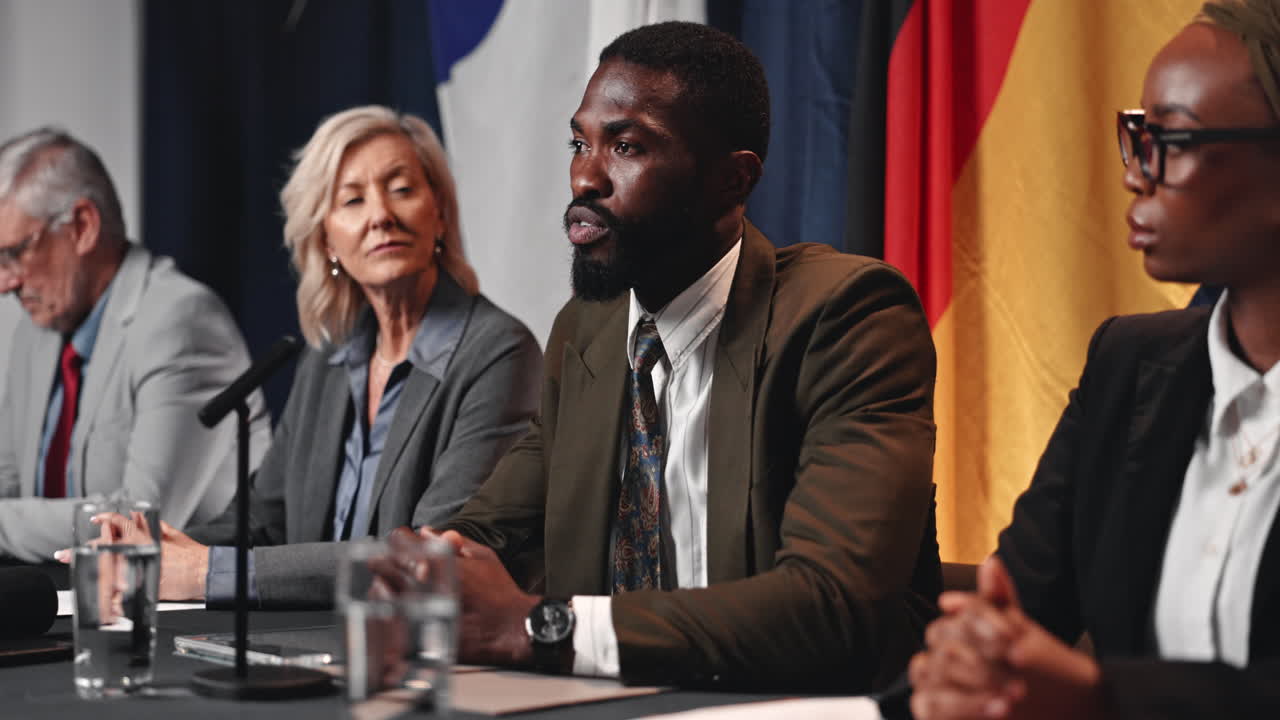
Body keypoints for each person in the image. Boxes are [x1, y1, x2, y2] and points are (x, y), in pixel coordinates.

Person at [408, 22, 940, 691]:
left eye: (626, 146)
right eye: (580, 141)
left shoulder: (846, 318)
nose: (584, 176)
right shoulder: (586, 334)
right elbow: (491, 531)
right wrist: (434, 564)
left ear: (731, 179)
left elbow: (832, 606)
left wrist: (545, 627)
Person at [906, 2, 1280, 718]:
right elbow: (1012, 609)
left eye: (1169, 138)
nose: (1136, 175)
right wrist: (967, 662)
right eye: (1136, 136)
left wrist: (1101, 698)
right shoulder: (1128, 364)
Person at [116, 106, 543, 609]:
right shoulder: (329, 358)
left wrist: (207, 573)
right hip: (307, 641)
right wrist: (152, 552)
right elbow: (263, 521)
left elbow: (430, 559)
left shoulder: (498, 352)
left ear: (441, 213)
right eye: (352, 199)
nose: (380, 215)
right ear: (326, 240)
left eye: (401, 189)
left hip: (426, 651)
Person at [0, 128, 269, 563]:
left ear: (83, 227)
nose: (4, 283)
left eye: (15, 252)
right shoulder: (34, 334)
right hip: (61, 603)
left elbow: (137, 523)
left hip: (177, 616)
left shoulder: (181, 319)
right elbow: (8, 487)